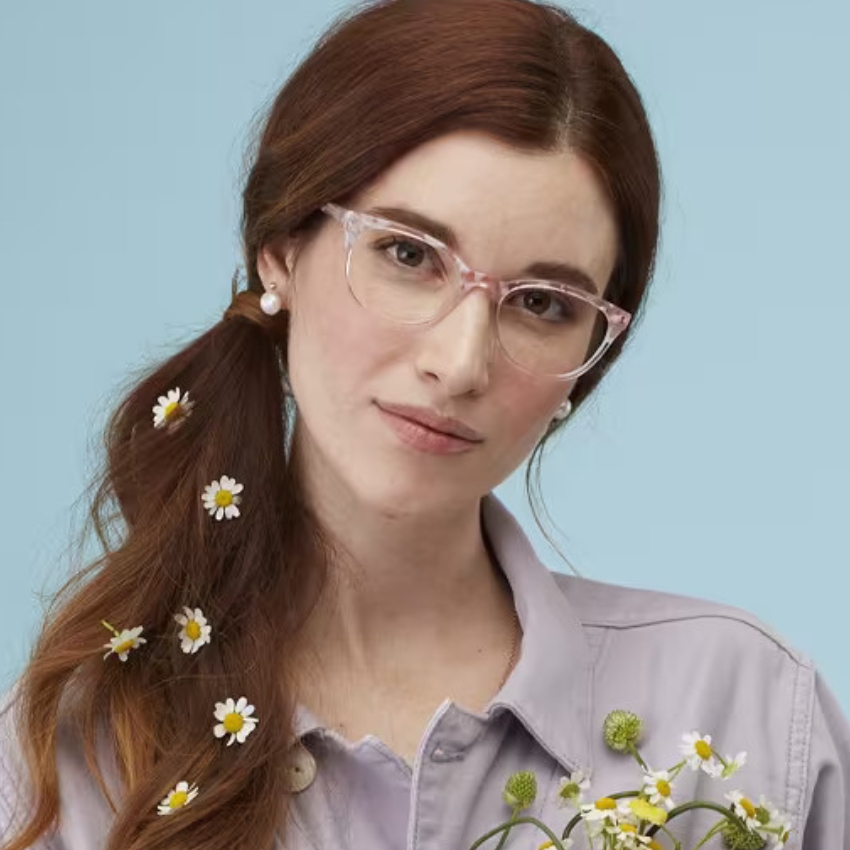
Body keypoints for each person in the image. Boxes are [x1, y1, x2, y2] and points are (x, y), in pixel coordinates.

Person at [1, 0, 848, 848]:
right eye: (408, 254)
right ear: (281, 251)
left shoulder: (748, 717)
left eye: (543, 304)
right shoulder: (64, 757)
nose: (461, 362)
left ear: (590, 354)